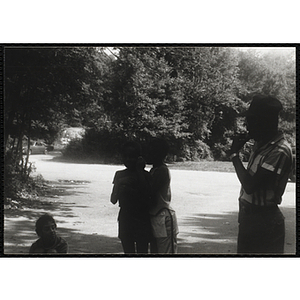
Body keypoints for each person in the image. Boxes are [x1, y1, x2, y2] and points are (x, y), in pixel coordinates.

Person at [229, 95, 293, 254]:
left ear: (265, 122)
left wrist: (234, 155)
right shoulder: (260, 144)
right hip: (249, 218)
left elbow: (250, 186)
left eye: (251, 122)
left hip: (265, 223)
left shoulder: (279, 150)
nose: (248, 128)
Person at [110, 141, 152, 254]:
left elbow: (148, 196)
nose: (128, 159)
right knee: (128, 252)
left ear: (139, 158)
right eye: (126, 156)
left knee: (142, 251)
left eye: (132, 156)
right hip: (126, 218)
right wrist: (120, 184)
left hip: (142, 218)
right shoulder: (119, 175)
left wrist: (139, 172)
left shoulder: (146, 175)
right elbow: (113, 199)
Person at [146, 138, 179, 254]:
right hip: (155, 215)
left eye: (151, 151)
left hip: (162, 215)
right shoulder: (154, 170)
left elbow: (150, 192)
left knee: (165, 251)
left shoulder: (162, 170)